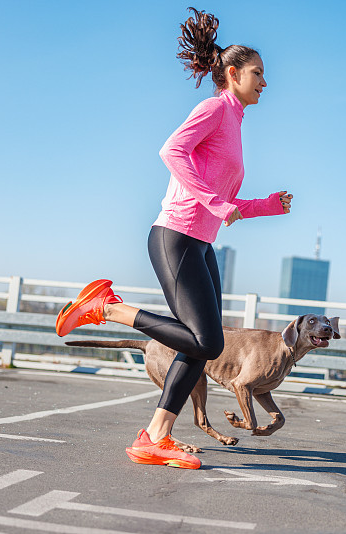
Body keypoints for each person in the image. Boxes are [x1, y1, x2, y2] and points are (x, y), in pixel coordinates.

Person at [55, 8, 292, 470]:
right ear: (233, 73)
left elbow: (225, 196)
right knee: (205, 341)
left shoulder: (236, 121)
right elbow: (171, 151)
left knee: (202, 344)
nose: (266, 81)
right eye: (259, 73)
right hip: (176, 236)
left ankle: (155, 437)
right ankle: (108, 308)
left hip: (200, 244)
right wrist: (216, 204)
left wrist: (265, 205)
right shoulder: (214, 108)